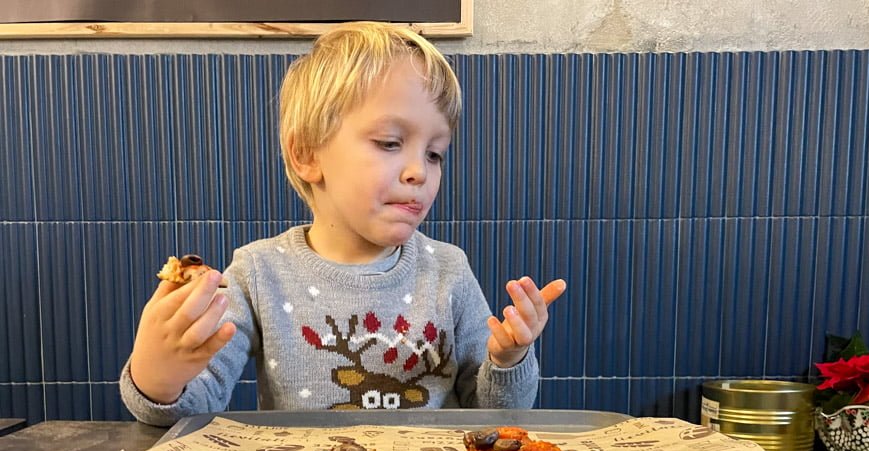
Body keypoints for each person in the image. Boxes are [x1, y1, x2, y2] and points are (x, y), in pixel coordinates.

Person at [120, 21, 566, 427]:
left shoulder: (448, 270)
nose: (419, 172)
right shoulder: (259, 273)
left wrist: (509, 359)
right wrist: (158, 376)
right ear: (308, 155)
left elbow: (494, 417)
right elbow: (189, 413)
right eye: (390, 142)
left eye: (435, 153)